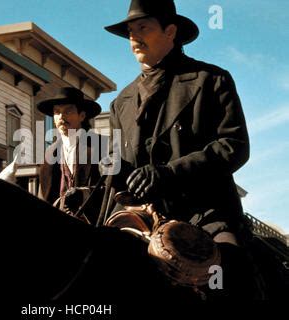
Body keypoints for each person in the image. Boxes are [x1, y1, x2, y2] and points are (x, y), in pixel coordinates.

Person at [104, 0, 255, 298]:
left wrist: (168, 173)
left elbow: (234, 146)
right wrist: (111, 168)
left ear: (170, 31)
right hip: (139, 216)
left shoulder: (211, 79)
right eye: (130, 31)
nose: (133, 38)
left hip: (204, 213)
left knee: (230, 278)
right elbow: (119, 164)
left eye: (143, 28)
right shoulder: (120, 101)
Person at [37, 87, 106, 225]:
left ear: (82, 115)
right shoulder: (50, 154)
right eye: (57, 112)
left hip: (95, 225)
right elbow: (43, 199)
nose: (61, 117)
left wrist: (83, 194)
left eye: (68, 111)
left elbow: (112, 187)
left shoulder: (101, 145)